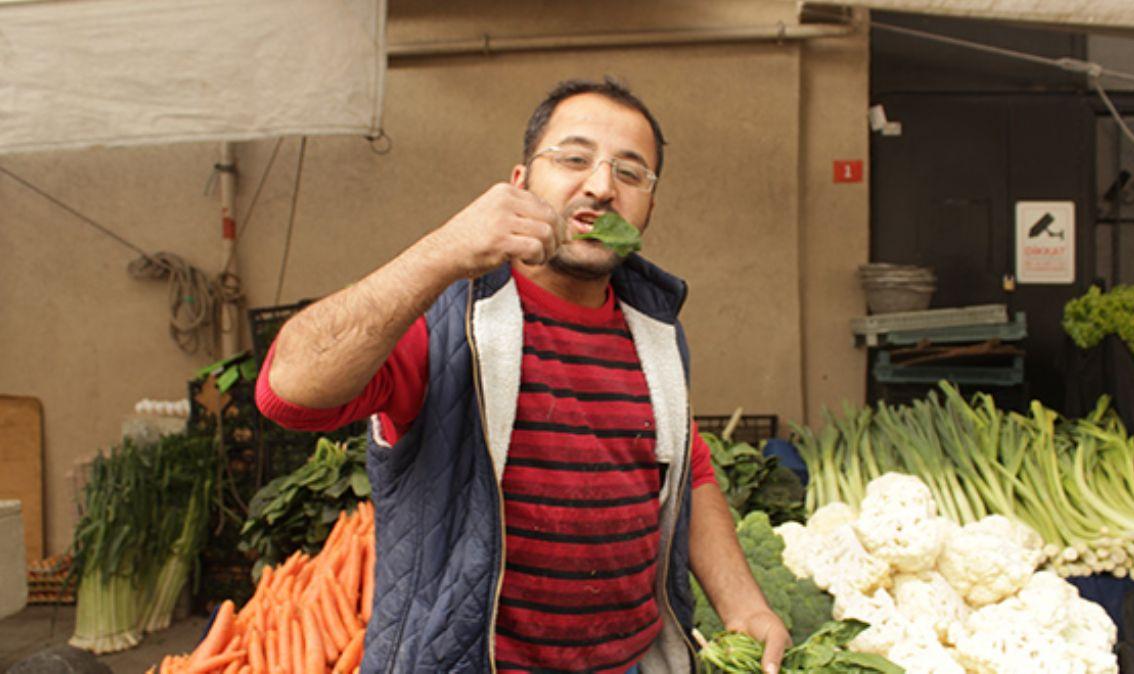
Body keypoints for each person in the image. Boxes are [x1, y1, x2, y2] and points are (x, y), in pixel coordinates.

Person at [257, 77, 789, 674]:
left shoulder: (655, 331)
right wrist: (443, 251)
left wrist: (746, 606)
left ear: (649, 208)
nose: (601, 186)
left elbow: (688, 468)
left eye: (631, 174)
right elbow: (288, 393)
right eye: (573, 159)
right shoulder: (448, 324)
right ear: (520, 184)